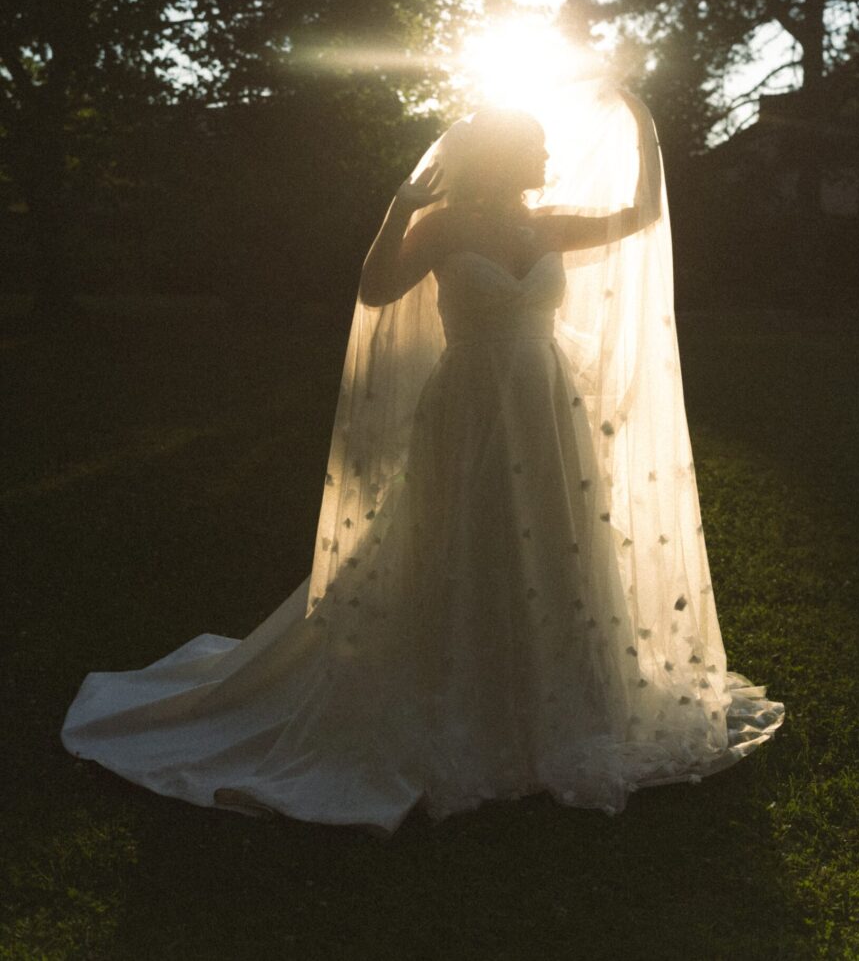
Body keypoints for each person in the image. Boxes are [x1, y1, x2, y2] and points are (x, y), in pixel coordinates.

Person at [61, 83, 783, 836]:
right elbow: (375, 292)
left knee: (553, 540)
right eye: (533, 144)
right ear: (501, 155)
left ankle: (552, 695)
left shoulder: (544, 226)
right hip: (469, 404)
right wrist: (400, 208)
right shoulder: (443, 225)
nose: (546, 154)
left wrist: (641, 125)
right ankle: (461, 695)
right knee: (459, 540)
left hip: (545, 408)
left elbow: (637, 217)